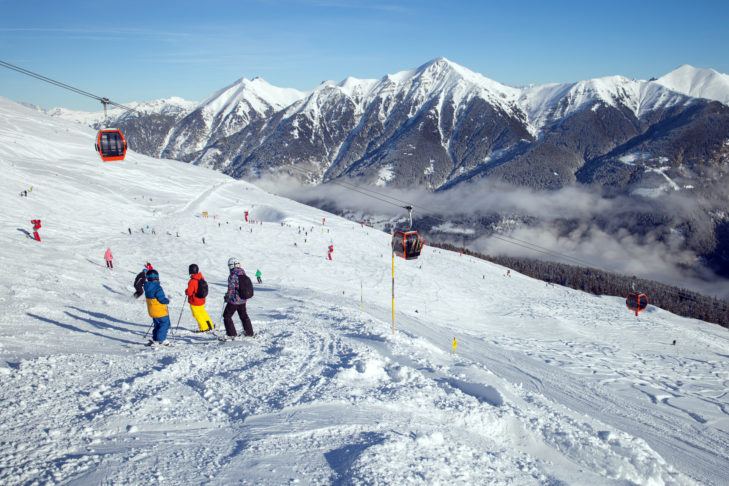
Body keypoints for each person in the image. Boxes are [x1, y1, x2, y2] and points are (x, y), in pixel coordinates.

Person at [223, 257, 254, 339]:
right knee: (244, 315)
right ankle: (249, 333)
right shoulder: (243, 273)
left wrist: (227, 297)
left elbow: (231, 289)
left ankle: (231, 334)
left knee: (227, 315)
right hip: (243, 299)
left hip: (234, 300)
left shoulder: (232, 276)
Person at [143, 269, 171, 345]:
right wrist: (166, 301)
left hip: (152, 311)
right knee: (165, 323)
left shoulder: (146, 287)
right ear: (157, 278)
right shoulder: (158, 288)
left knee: (157, 324)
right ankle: (161, 339)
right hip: (160, 311)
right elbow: (161, 299)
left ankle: (155, 338)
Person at [185, 264, 213, 332]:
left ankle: (204, 327)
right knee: (203, 313)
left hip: (195, 301)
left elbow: (189, 292)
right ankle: (210, 325)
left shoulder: (192, 281)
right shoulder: (201, 277)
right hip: (201, 300)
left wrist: (186, 291)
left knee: (197, 314)